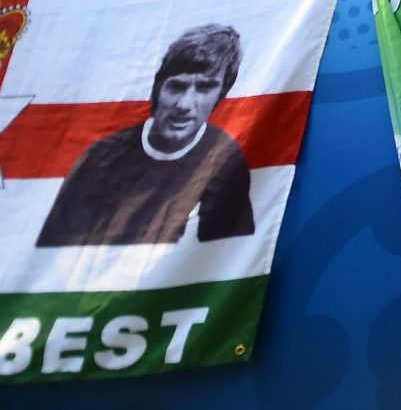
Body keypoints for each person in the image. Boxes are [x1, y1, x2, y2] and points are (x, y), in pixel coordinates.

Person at [37, 24, 253, 247]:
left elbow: (223, 258)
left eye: (205, 88)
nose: (185, 105)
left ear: (222, 93)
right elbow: (56, 253)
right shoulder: (101, 157)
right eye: (176, 87)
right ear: (158, 88)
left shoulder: (224, 159)